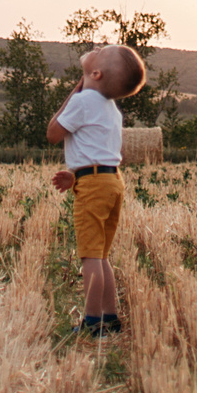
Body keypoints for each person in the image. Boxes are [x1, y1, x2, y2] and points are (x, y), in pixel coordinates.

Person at [46, 42, 146, 336]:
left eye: (101, 51)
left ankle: (91, 322)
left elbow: (53, 133)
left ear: (96, 73)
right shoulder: (111, 109)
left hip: (94, 186)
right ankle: (110, 317)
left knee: (90, 256)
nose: (97, 47)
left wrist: (76, 90)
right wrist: (75, 176)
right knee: (101, 255)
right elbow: (97, 152)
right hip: (111, 182)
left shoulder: (83, 100)